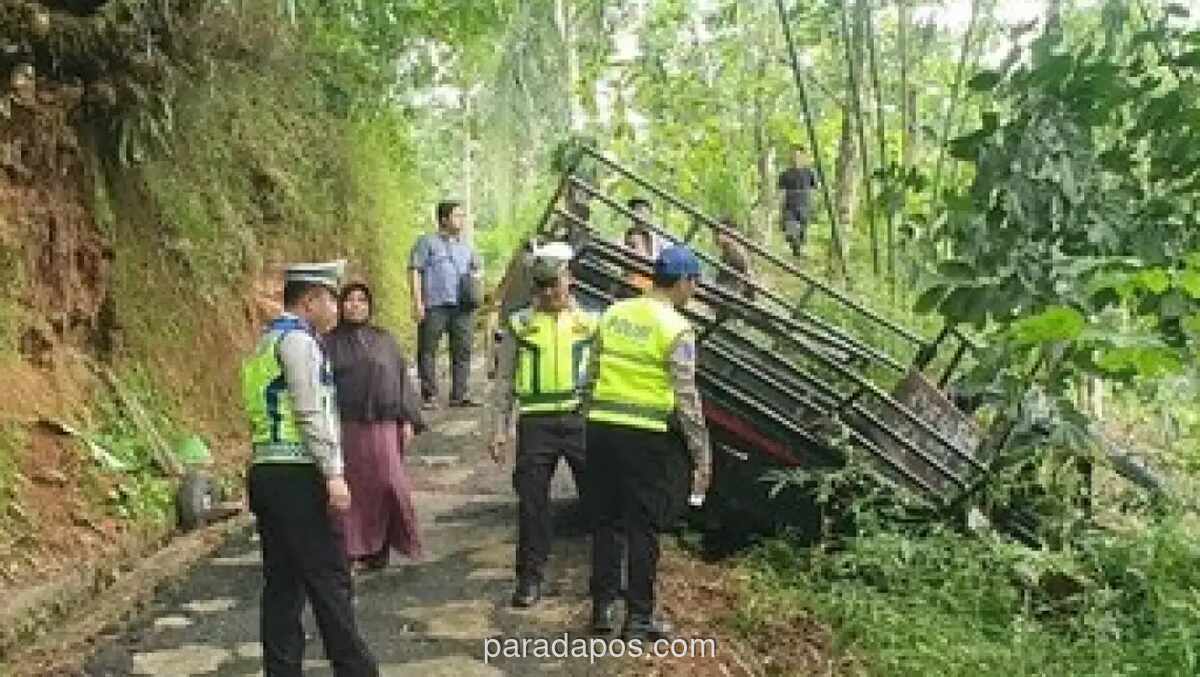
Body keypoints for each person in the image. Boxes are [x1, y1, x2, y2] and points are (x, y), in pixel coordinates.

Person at [240, 261, 379, 677]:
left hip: (267, 469)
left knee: (282, 585)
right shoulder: (299, 343)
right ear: (309, 300)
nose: (336, 308)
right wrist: (334, 472)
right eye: (330, 299)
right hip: (298, 472)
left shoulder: (265, 342)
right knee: (329, 579)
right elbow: (309, 411)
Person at [583, 245, 712, 640]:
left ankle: (603, 609)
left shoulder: (614, 313)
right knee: (643, 526)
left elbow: (591, 372)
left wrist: (590, 414)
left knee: (605, 520)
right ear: (684, 282)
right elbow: (686, 399)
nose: (694, 292)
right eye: (695, 284)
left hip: (601, 427)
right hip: (644, 434)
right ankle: (638, 618)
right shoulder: (676, 329)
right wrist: (701, 455)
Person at [489, 242, 599, 608]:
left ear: (570, 281)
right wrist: (499, 428)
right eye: (542, 286)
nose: (549, 292)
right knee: (532, 503)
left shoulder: (591, 322)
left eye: (555, 284)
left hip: (579, 420)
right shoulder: (520, 324)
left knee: (599, 500)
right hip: (536, 423)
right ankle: (529, 578)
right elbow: (504, 379)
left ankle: (605, 584)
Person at [324, 282, 426, 572]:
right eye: (350, 300)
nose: (355, 305)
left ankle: (382, 545)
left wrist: (407, 418)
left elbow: (402, 379)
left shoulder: (384, 340)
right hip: (347, 428)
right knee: (354, 490)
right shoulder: (328, 343)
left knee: (389, 485)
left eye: (361, 300)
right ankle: (353, 550)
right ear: (341, 306)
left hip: (384, 427)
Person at [409, 200, 483, 409]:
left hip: (462, 306)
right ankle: (429, 395)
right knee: (428, 349)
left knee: (463, 350)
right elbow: (415, 269)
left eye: (462, 215)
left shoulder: (467, 246)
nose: (462, 220)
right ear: (443, 219)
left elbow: (477, 272)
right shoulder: (427, 242)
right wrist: (417, 302)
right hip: (435, 304)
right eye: (457, 215)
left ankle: (459, 394)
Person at [777, 146, 819, 256]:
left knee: (802, 232)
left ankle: (798, 250)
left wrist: (813, 207)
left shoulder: (809, 173)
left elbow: (814, 190)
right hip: (790, 205)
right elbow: (781, 192)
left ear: (803, 157)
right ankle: (794, 245)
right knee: (791, 230)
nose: (795, 158)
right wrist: (780, 208)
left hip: (804, 204)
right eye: (793, 155)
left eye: (798, 155)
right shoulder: (785, 174)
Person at [711, 217, 753, 300]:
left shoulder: (736, 254)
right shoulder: (728, 252)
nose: (715, 237)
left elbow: (735, 284)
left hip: (736, 297)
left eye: (717, 233)